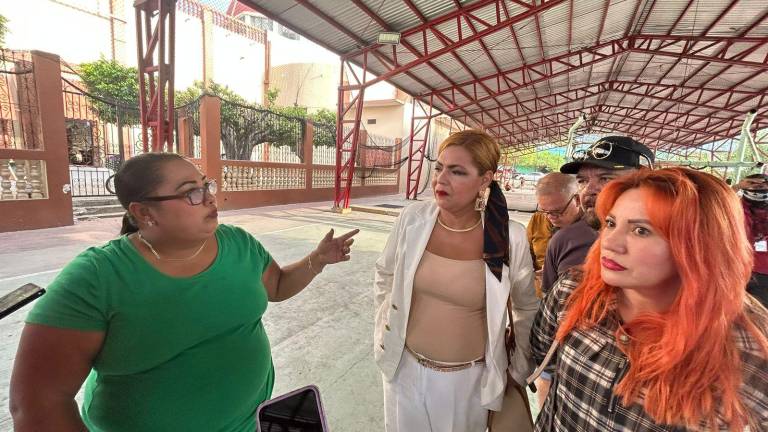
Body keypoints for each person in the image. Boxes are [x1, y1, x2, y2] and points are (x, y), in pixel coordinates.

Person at [9, 152, 358, 432]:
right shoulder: (98, 277)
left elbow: (277, 286)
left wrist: (317, 260)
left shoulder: (238, 244)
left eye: (207, 186)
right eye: (192, 192)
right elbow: (37, 405)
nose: (210, 197)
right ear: (145, 212)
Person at [530, 167, 768, 431]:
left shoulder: (748, 350)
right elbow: (544, 357)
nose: (610, 242)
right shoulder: (573, 291)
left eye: (641, 231)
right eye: (610, 223)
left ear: (698, 245)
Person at [374, 130, 538, 432]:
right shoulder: (413, 220)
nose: (441, 179)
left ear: (485, 179)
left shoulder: (508, 237)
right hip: (403, 371)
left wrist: (518, 369)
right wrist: (384, 330)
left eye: (457, 171)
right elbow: (385, 274)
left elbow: (527, 308)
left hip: (469, 384)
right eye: (439, 168)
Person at [540, 136, 654, 295]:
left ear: (644, 180)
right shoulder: (565, 251)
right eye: (582, 181)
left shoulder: (676, 248)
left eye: (605, 178)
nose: (588, 190)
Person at [527, 173, 581, 297]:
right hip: (539, 297)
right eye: (545, 211)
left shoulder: (591, 229)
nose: (551, 217)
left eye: (557, 211)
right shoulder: (538, 219)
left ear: (577, 200)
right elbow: (526, 254)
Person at [734, 173, 768, 308]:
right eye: (752, 183)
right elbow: (716, 203)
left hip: (763, 272)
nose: (758, 186)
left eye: (763, 183)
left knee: (759, 313)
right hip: (737, 268)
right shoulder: (736, 206)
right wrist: (736, 187)